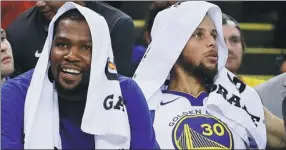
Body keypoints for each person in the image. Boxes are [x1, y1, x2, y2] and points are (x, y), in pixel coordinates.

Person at [1, 3, 157, 149]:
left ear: (101, 55)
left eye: (86, 48)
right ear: (49, 49)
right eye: (62, 44)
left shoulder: (127, 93)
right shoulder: (16, 94)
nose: (71, 56)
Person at [133, 1, 286, 149]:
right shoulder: (144, 106)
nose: (213, 42)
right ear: (173, 44)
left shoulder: (238, 99)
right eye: (198, 34)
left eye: (213, 35)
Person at [6, 1, 135, 77]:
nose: (39, 3)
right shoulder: (18, 31)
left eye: (85, 47)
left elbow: (118, 87)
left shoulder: (116, 25)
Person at [222, 13, 265, 87]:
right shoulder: (196, 93)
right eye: (221, 41)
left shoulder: (261, 89)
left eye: (235, 40)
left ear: (243, 47)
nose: (229, 48)